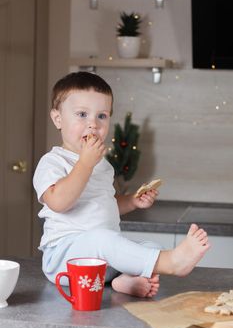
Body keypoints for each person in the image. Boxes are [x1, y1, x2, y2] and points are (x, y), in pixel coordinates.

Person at [33, 71, 210, 298]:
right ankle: (173, 262)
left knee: (146, 244)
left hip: (101, 264)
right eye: (82, 114)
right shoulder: (52, 162)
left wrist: (132, 202)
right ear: (58, 119)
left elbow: (107, 204)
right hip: (65, 260)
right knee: (102, 239)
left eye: (102, 116)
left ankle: (124, 281)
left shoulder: (102, 165)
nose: (93, 125)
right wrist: (85, 164)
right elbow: (58, 202)